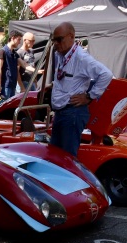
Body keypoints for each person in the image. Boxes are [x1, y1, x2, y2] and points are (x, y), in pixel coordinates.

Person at [48, 22, 111, 157]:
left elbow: (106, 74)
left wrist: (89, 96)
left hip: (72, 113)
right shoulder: (60, 55)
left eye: (59, 39)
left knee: (67, 159)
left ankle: (70, 178)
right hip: (62, 112)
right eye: (54, 40)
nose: (56, 43)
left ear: (71, 36)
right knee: (55, 156)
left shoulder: (81, 57)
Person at [0, 31, 23, 100]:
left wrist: (36, 70)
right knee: (4, 107)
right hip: (5, 86)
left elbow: (22, 65)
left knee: (10, 108)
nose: (19, 42)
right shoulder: (2, 51)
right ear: (13, 38)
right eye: (19, 39)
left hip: (13, 85)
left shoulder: (14, 53)